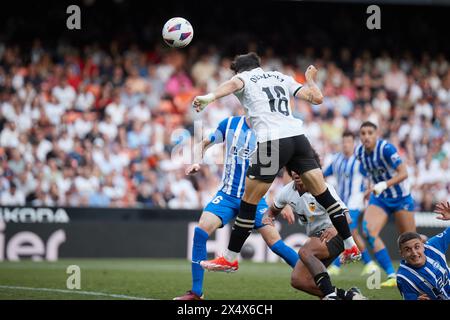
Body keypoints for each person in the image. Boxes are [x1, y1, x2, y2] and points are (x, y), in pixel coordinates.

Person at [193, 52, 360, 272]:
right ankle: (350, 245)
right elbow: (317, 99)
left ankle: (231, 258)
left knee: (248, 202)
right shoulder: (281, 77)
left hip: (272, 142)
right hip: (299, 139)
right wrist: (310, 79)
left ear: (240, 70)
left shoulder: (245, 78)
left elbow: (233, 83)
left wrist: (209, 97)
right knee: (324, 194)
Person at [174, 116, 299, 300]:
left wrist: (285, 201)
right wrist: (196, 161)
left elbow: (287, 166)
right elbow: (205, 142)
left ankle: (319, 281)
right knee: (200, 232)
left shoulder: (269, 131)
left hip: (255, 198)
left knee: (276, 245)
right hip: (227, 195)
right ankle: (196, 292)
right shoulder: (230, 124)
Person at [265, 165, 367, 300]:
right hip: (317, 237)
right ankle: (349, 295)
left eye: (300, 169)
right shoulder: (287, 191)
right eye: (294, 170)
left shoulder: (322, 188)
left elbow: (346, 217)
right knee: (299, 280)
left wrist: (335, 228)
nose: (297, 173)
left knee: (304, 252)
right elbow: (273, 210)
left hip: (335, 234)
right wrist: (268, 217)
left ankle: (330, 296)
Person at [356, 121, 416, 287]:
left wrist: (384, 184)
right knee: (368, 231)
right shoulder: (359, 152)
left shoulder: (386, 149)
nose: (366, 136)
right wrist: (369, 188)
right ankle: (392, 274)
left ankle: (428, 263)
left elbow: (404, 173)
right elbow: (367, 173)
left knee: (410, 239)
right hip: (380, 198)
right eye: (363, 133)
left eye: (370, 133)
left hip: (400, 197)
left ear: (376, 135)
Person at [324, 131, 380, 276]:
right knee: (351, 231)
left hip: (356, 201)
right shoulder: (336, 160)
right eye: (344, 142)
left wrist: (370, 188)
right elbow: (323, 174)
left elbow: (371, 173)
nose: (346, 145)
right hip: (341, 202)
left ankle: (338, 265)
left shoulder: (358, 160)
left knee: (347, 227)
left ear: (353, 144)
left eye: (348, 142)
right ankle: (368, 263)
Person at [396, 201, 450, 300]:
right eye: (407, 250)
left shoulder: (434, 246)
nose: (414, 253)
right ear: (402, 254)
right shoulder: (404, 277)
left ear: (423, 246)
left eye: (417, 247)